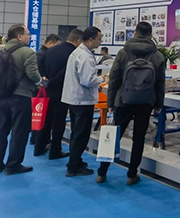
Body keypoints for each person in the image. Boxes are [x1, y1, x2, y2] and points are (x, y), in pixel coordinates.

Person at [96, 22, 165, 185]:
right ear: (151, 35)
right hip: (146, 102)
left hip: (123, 100)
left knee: (114, 136)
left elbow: (114, 78)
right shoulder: (157, 55)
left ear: (135, 33)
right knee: (139, 138)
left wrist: (111, 101)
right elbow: (160, 83)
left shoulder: (123, 52)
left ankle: (102, 173)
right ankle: (132, 174)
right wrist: (159, 104)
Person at [34, 29, 84, 159]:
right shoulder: (73, 54)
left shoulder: (50, 51)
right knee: (59, 123)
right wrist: (53, 81)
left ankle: (39, 147)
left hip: (48, 90)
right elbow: (66, 72)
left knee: (46, 120)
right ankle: (55, 150)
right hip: (62, 90)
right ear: (78, 41)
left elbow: (40, 66)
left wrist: (46, 79)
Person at [62, 26, 104, 176]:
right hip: (82, 100)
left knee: (76, 133)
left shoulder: (77, 53)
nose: (100, 42)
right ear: (91, 39)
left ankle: (75, 161)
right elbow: (87, 80)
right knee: (81, 135)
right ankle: (73, 166)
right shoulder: (85, 56)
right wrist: (101, 79)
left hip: (75, 99)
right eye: (99, 39)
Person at [0, 25, 42, 175]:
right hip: (21, 95)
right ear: (19, 36)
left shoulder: (1, 50)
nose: (29, 37)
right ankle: (13, 165)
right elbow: (32, 73)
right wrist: (40, 81)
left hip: (2, 95)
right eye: (27, 34)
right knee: (19, 132)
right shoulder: (27, 52)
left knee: (2, 130)